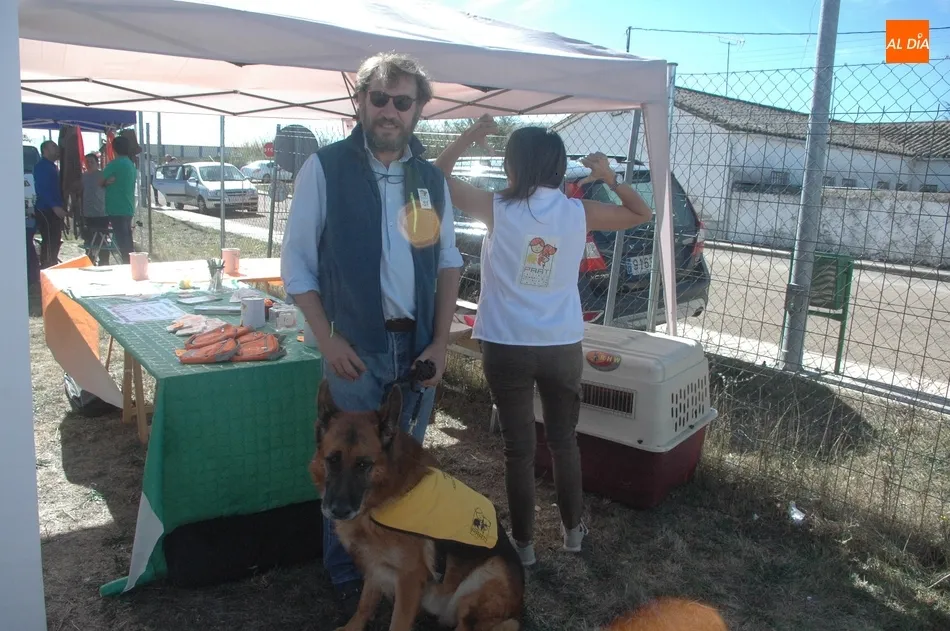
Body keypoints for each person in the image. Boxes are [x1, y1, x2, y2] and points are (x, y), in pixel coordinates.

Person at [279, 52, 463, 620]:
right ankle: (346, 575)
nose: (389, 110)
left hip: (416, 351)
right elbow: (297, 266)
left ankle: (393, 568)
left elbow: (448, 263)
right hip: (354, 349)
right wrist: (327, 340)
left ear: (418, 109)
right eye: (379, 98)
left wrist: (440, 343)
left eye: (402, 101)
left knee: (399, 467)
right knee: (343, 465)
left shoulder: (429, 179)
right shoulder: (325, 168)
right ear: (360, 102)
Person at [434, 117, 653, 566]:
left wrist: (470, 136)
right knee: (563, 441)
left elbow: (437, 174)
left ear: (513, 166)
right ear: (557, 167)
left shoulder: (496, 207)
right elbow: (641, 213)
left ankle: (524, 546)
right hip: (561, 345)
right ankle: (573, 534)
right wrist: (609, 178)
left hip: (506, 343)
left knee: (519, 449)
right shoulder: (578, 211)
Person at [101, 135, 138, 264]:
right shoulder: (130, 164)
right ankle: (132, 264)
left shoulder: (114, 164)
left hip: (116, 207)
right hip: (128, 206)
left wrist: (106, 182)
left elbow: (99, 181)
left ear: (113, 149)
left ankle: (129, 266)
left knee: (123, 243)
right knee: (127, 240)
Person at [33, 140, 67, 268]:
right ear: (45, 150)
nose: (57, 149)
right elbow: (42, 189)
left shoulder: (52, 166)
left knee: (55, 239)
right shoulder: (42, 166)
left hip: (53, 209)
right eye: (53, 146)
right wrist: (54, 206)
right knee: (49, 239)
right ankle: (47, 266)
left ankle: (51, 264)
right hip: (45, 209)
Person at [80, 153, 111, 266]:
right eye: (87, 162)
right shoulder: (83, 177)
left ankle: (104, 261)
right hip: (87, 213)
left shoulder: (102, 175)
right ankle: (90, 260)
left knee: (102, 239)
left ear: (97, 163)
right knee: (88, 239)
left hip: (101, 213)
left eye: (91, 161)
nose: (89, 164)